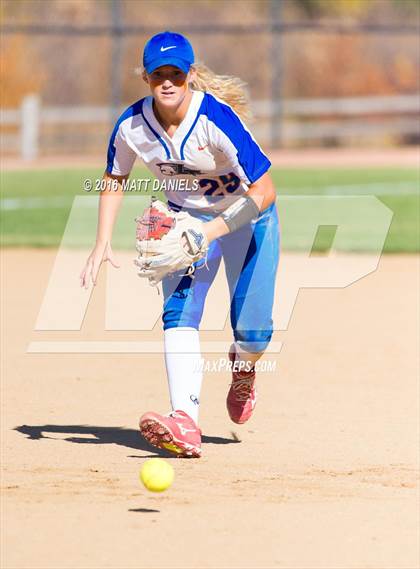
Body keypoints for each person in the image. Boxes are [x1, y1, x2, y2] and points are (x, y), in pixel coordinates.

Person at [80, 31, 280, 458]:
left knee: (253, 333)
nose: (166, 82)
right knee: (179, 313)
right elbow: (114, 177)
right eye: (157, 75)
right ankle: (184, 420)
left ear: (190, 74)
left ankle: (243, 372)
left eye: (175, 73)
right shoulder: (132, 125)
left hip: (247, 218)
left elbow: (264, 191)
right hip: (184, 219)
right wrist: (101, 240)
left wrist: (207, 234)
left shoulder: (216, 119)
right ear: (146, 78)